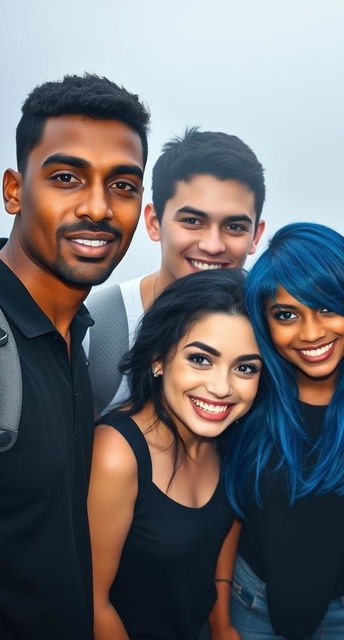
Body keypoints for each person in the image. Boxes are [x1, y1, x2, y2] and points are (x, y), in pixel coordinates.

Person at [214, 223, 344, 640]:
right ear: (264, 320)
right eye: (287, 315)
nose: (311, 333)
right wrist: (220, 618)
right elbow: (230, 510)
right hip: (249, 602)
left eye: (328, 308)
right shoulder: (251, 389)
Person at [0, 73, 149, 639]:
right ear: (15, 190)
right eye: (66, 177)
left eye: (123, 185)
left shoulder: (80, 334)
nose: (98, 208)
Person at [88, 269, 262, 639]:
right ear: (158, 358)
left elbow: (221, 537)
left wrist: (222, 625)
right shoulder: (117, 454)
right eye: (201, 359)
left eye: (245, 368)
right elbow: (92, 604)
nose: (221, 388)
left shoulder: (229, 437)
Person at [86, 127, 266, 416]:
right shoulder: (99, 329)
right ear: (154, 222)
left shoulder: (269, 326)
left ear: (256, 236)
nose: (212, 245)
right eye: (193, 221)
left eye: (235, 227)